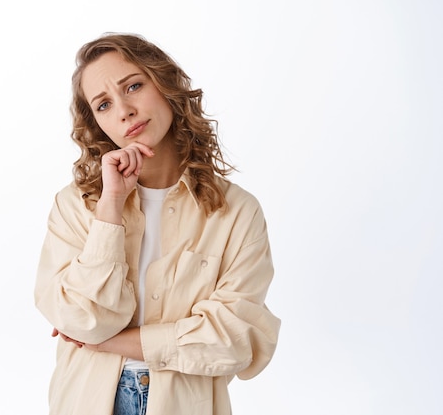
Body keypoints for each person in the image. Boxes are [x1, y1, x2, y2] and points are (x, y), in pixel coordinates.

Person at [34, 32, 281, 415]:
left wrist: (105, 342)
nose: (124, 110)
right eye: (103, 105)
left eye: (133, 85)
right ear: (97, 124)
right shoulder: (77, 206)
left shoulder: (237, 212)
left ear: (166, 84)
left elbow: (234, 339)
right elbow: (83, 316)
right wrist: (111, 207)